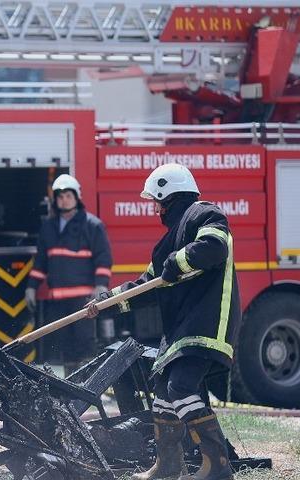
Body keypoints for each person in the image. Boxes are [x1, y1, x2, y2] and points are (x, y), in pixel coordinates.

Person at [86, 163, 240, 480]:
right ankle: (169, 466)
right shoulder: (169, 241)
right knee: (163, 395)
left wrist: (178, 262)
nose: (154, 209)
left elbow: (214, 248)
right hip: (182, 328)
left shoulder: (204, 214)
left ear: (167, 195)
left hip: (206, 323)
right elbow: (146, 285)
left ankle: (218, 466)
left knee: (181, 387)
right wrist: (108, 302)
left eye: (156, 201)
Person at [25, 174, 113, 372]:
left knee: (85, 345)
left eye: (68, 195)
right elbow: (41, 261)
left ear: (77, 197)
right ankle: (71, 391)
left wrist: (100, 286)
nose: (64, 200)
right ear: (55, 200)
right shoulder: (48, 227)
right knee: (64, 346)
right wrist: (31, 287)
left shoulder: (92, 225)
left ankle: (89, 389)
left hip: (83, 300)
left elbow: (103, 258)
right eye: (60, 196)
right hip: (58, 301)